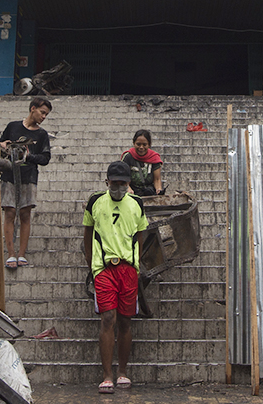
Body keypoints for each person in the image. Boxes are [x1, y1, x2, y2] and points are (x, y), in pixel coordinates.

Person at [83, 162, 149, 394]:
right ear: (107, 181)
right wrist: (93, 266)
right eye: (114, 183)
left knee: (125, 320)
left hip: (128, 268)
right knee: (107, 318)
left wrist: (135, 263)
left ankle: (122, 371)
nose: (118, 187)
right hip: (103, 268)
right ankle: (107, 375)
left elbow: (141, 236)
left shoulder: (137, 204)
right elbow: (88, 234)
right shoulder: (95, 202)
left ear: (128, 183)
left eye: (122, 183)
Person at [0, 97, 52, 269]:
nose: (43, 117)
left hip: (29, 176)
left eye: (46, 114)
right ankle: (10, 254)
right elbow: (1, 143)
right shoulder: (13, 126)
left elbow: (45, 158)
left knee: (25, 213)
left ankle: (22, 254)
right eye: (42, 112)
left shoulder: (41, 134)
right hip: (9, 175)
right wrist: (3, 145)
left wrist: (28, 156)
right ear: (33, 109)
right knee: (9, 212)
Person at [119, 129, 164, 196]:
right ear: (134, 143)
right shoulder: (128, 157)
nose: (141, 147)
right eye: (138, 144)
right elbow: (122, 176)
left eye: (144, 145)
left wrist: (158, 189)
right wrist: (128, 189)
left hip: (149, 192)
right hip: (131, 193)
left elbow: (157, 179)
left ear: (149, 144)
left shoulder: (154, 158)